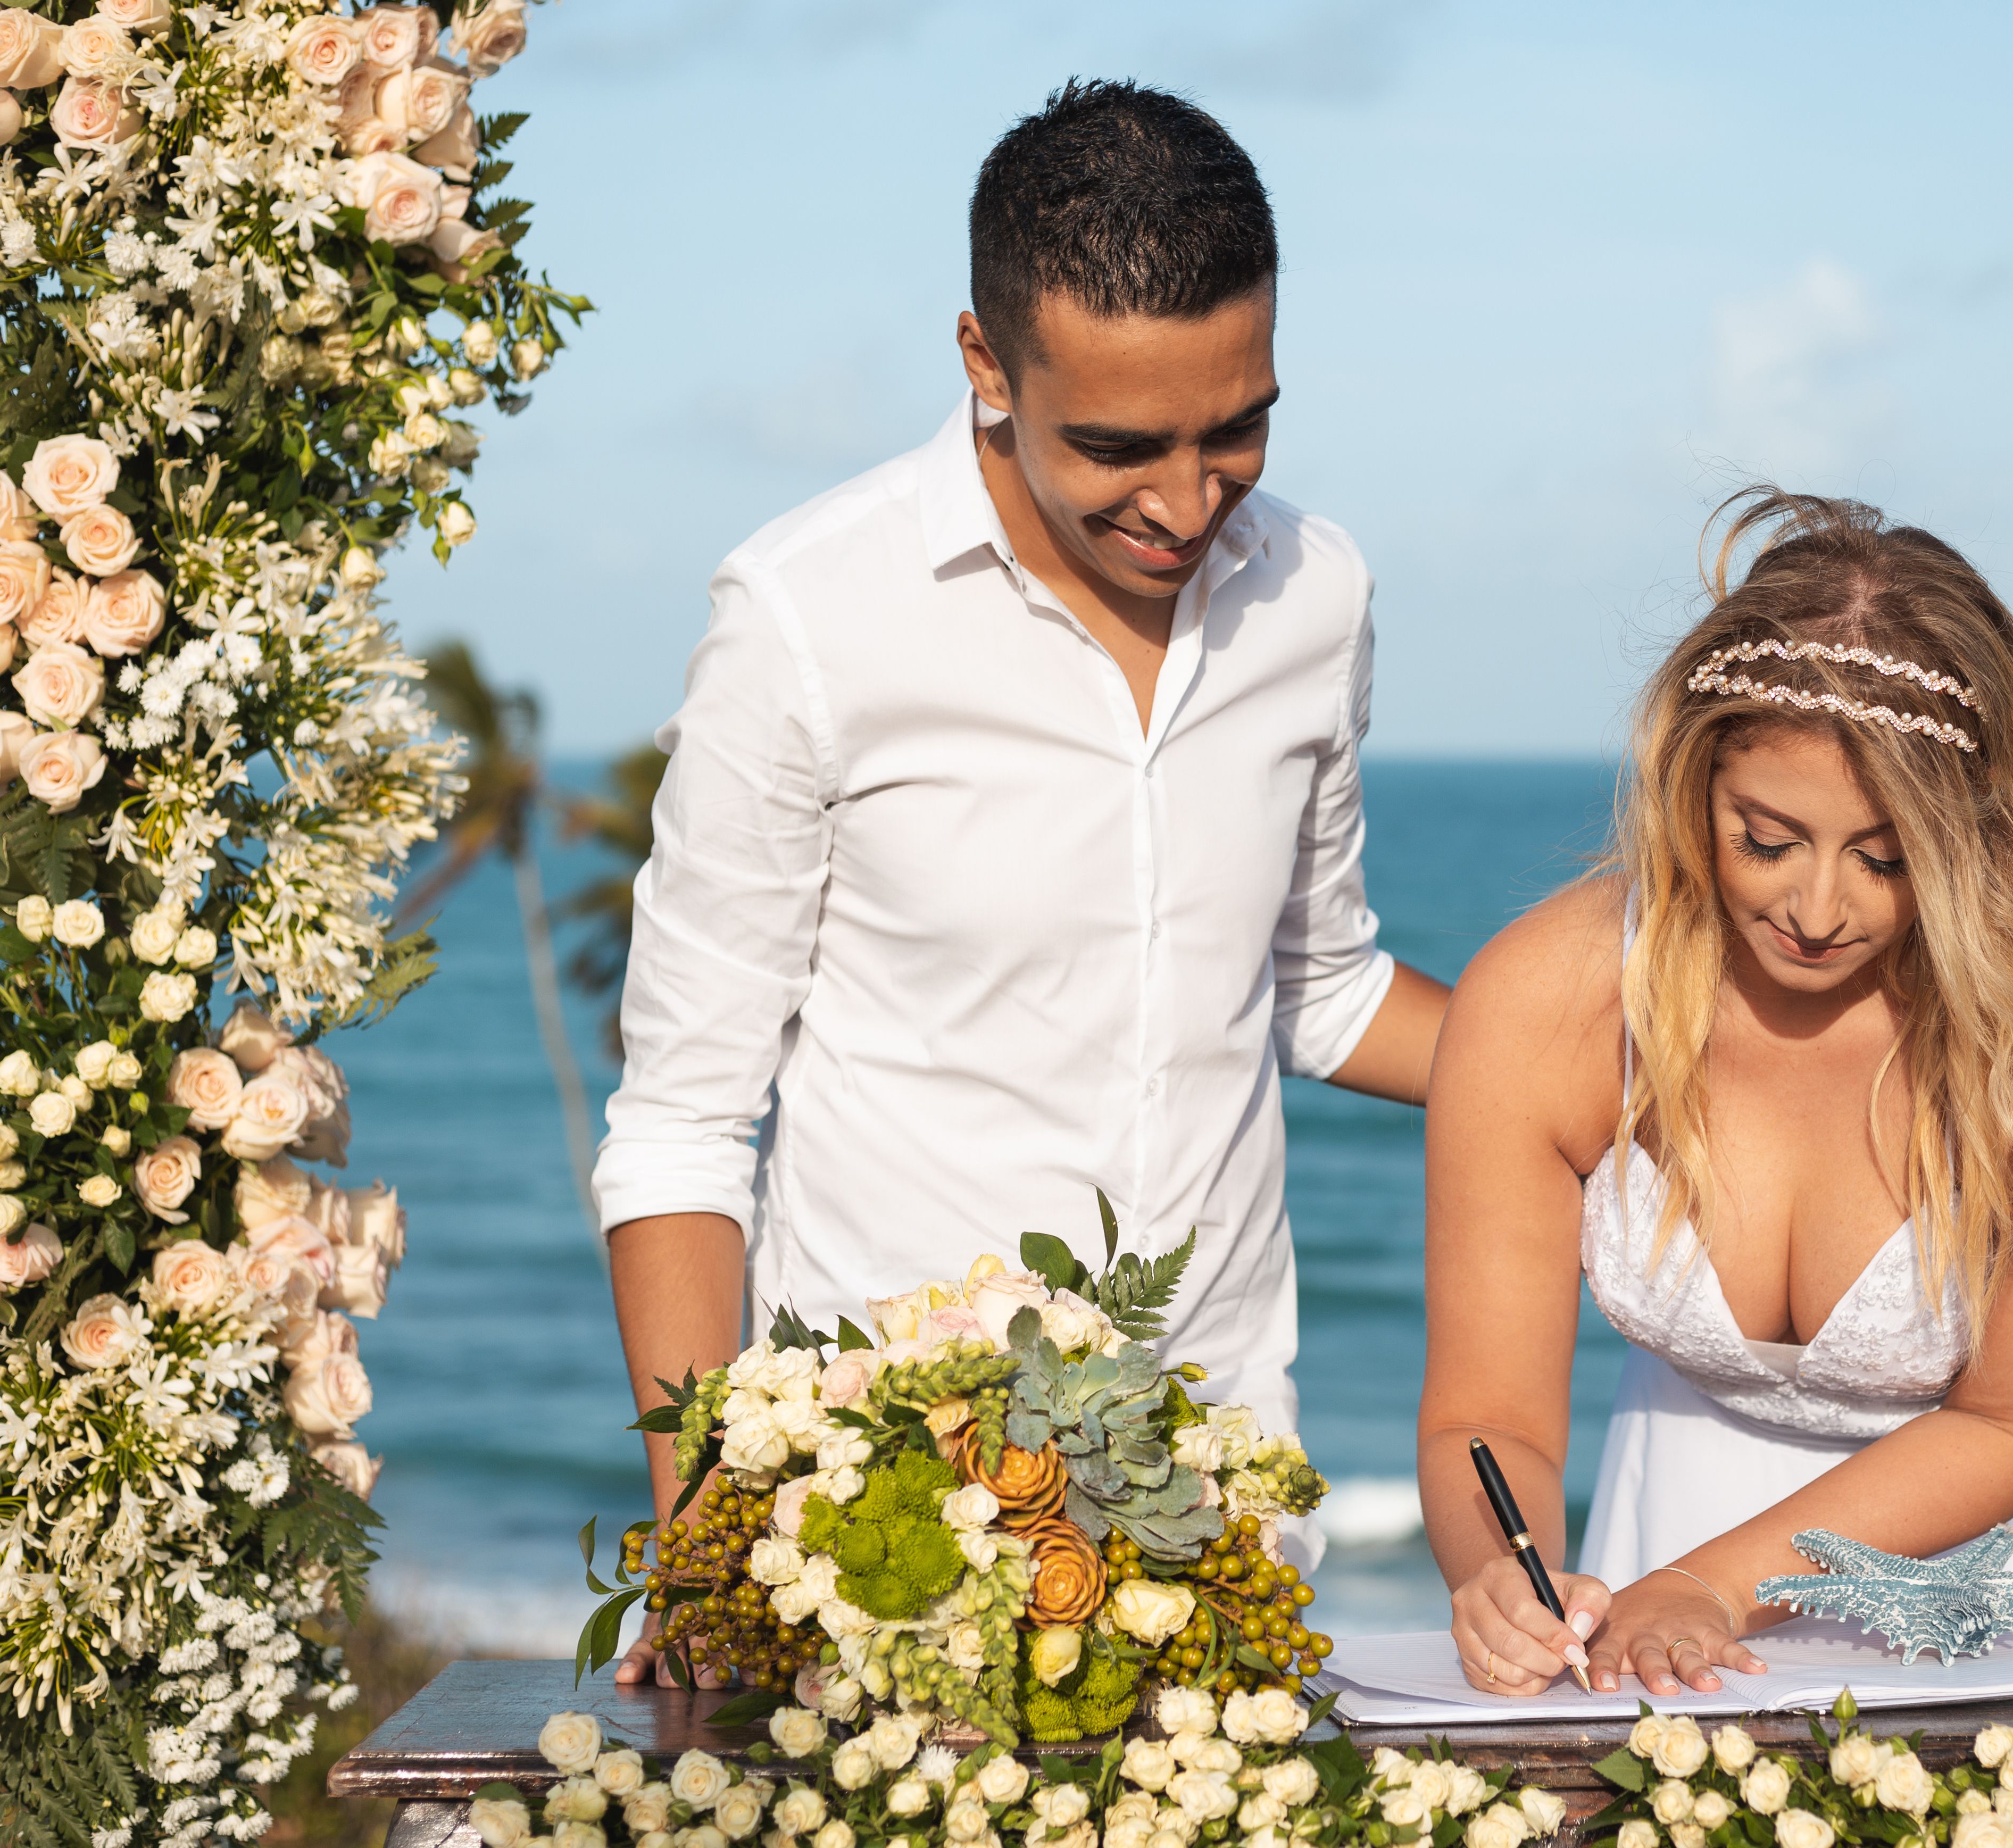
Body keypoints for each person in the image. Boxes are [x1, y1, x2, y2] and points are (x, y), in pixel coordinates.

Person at [594, 80, 1449, 1682]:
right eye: (1120, 445)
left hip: (1220, 1536)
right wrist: (704, 1547)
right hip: (878, 1553)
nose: (1189, 504)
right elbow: (683, 1125)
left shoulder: (1316, 596)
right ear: (985, 365)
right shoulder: (806, 617)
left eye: (1236, 430)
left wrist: (1662, 1067)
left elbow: (1323, 993)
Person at [1417, 493, 2013, 1698]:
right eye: (1766, 840)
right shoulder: (1540, 1001)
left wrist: (1711, 1582)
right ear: (1692, 778)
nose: (1817, 911)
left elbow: (2010, 1422)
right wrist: (1500, 1573)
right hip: (1680, 1517)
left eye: (1886, 857)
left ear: (1972, 830)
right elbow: (1487, 1414)